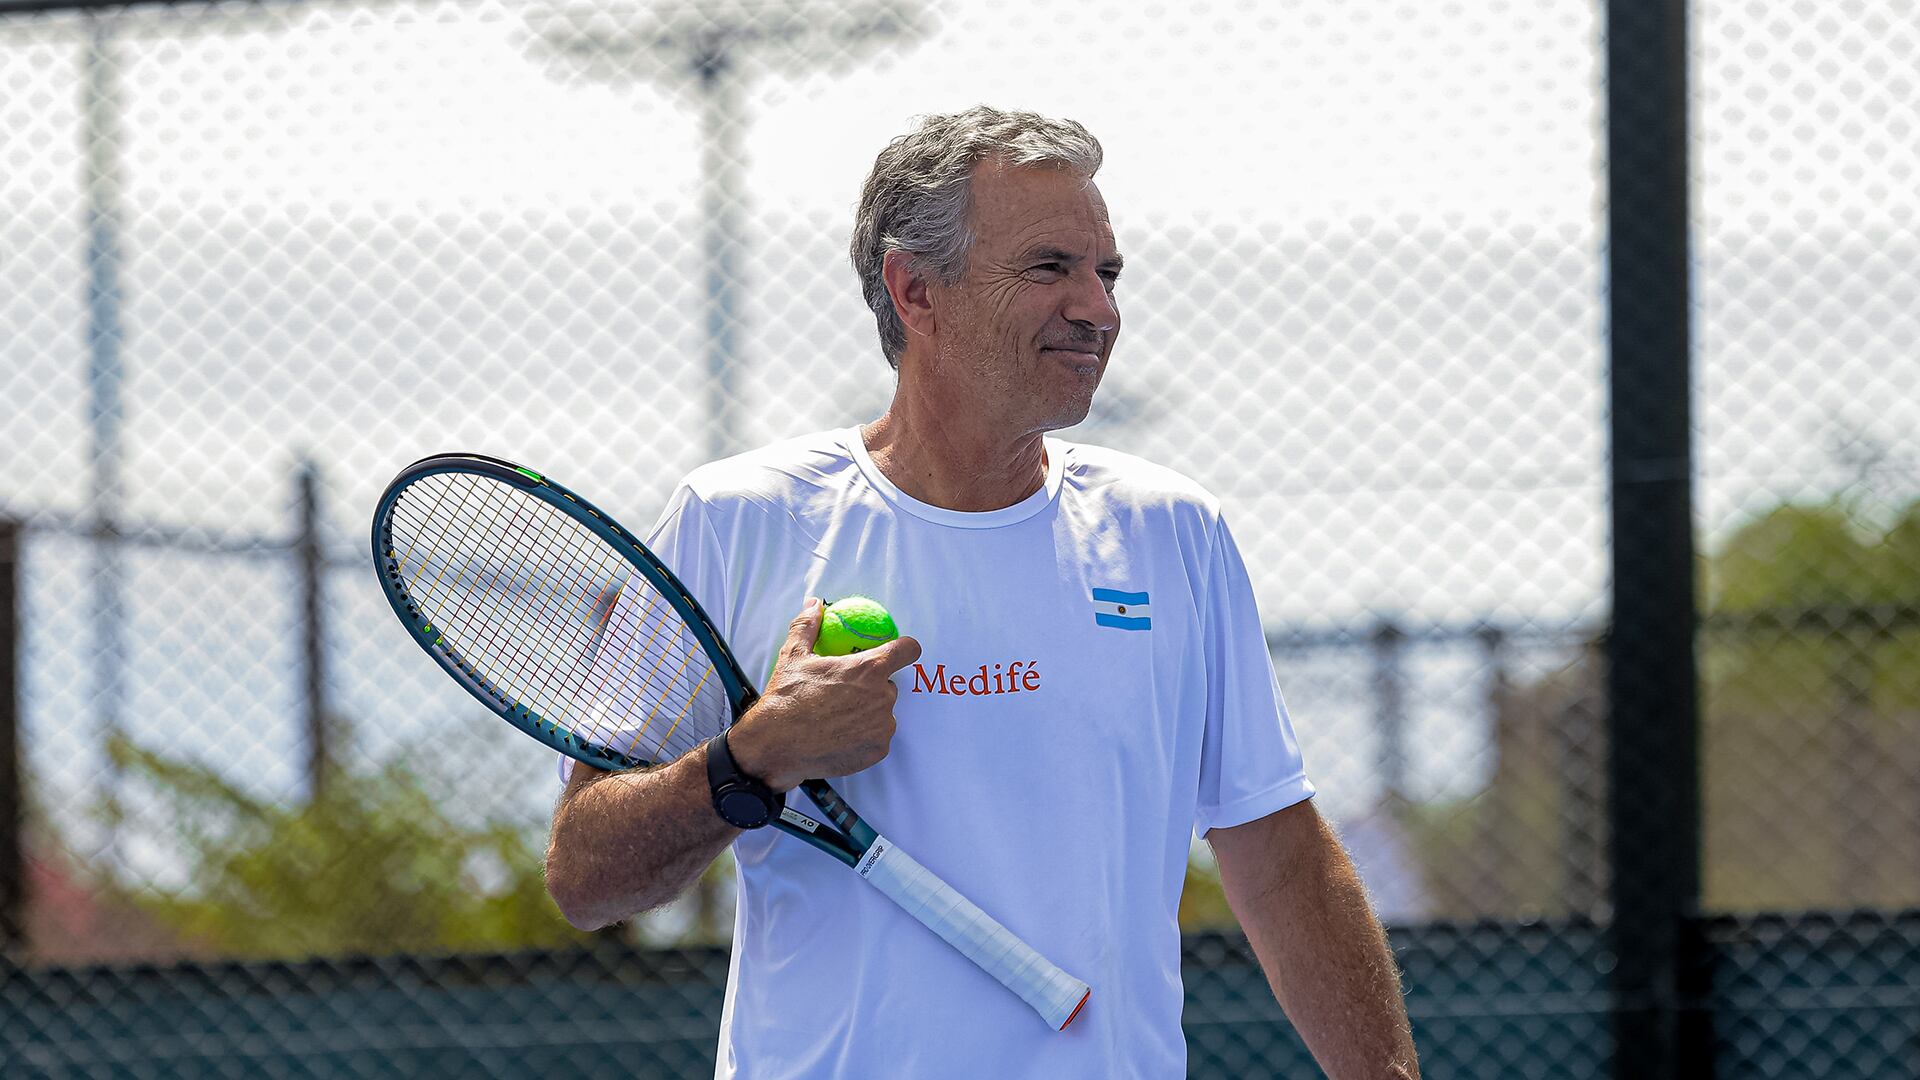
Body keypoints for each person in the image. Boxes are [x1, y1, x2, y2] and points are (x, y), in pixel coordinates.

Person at [544, 105, 1420, 1079]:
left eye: (1107, 272)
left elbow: (1280, 854)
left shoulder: (1171, 534)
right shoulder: (735, 521)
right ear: (916, 290)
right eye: (1051, 268)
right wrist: (750, 762)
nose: (1099, 307)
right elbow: (585, 875)